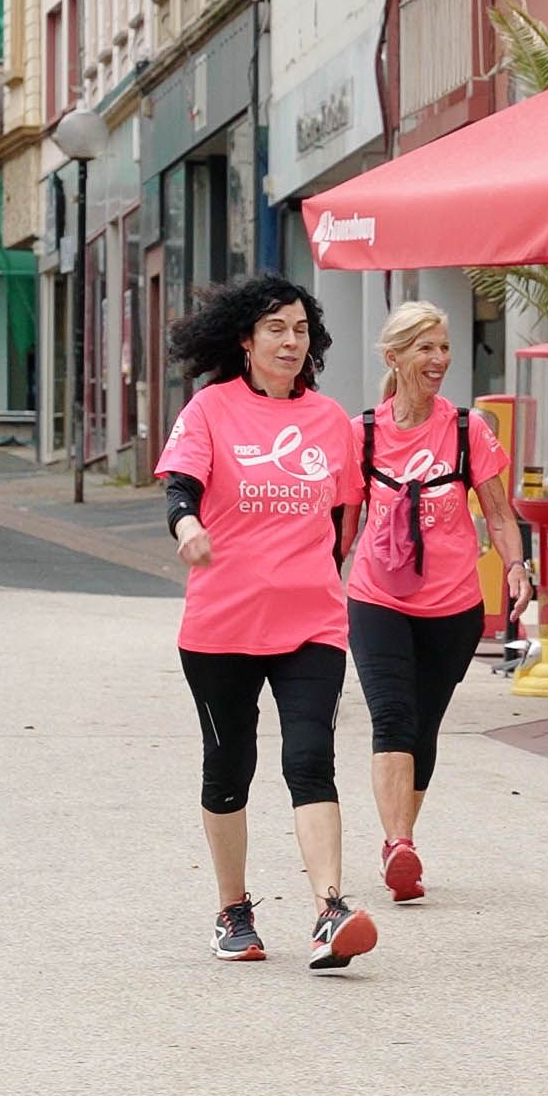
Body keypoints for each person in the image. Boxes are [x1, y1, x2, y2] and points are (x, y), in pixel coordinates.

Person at [157, 275, 374, 971]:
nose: (290, 341)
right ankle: (233, 910)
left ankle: (330, 910)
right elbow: (180, 488)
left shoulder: (331, 421)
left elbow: (343, 516)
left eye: (301, 329)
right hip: (221, 624)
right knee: (230, 766)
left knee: (310, 759)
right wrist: (188, 527)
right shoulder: (210, 408)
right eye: (275, 328)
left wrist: (315, 573)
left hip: (312, 623)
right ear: (245, 341)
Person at [346, 300, 531, 905]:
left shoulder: (468, 430)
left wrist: (516, 567)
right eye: (425, 347)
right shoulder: (363, 432)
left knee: (423, 726)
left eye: (444, 347)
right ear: (394, 357)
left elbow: (500, 515)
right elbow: (342, 529)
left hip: (453, 606)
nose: (440, 359)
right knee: (393, 718)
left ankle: (400, 841)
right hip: (377, 597)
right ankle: (399, 845)